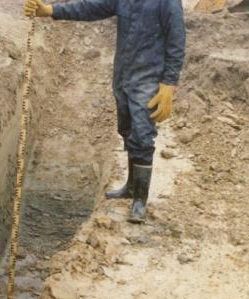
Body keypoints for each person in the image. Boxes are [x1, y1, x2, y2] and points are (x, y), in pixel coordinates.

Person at [24, 0, 186, 223]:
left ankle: (140, 199)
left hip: (148, 78)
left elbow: (176, 42)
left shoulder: (167, 2)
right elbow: (90, 8)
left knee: (142, 135)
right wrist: (51, 11)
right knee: (127, 129)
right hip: (123, 74)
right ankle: (131, 186)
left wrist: (169, 83)